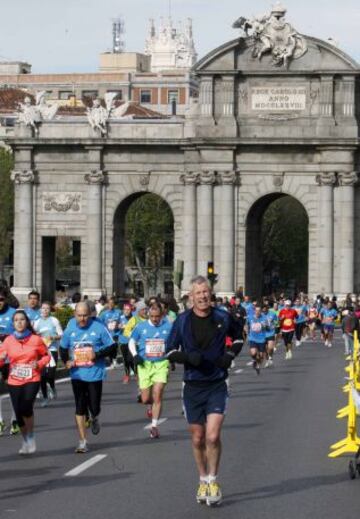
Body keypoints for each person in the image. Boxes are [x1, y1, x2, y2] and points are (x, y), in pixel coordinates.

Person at [166, 276, 244, 506]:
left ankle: (213, 480)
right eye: (197, 293)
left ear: (211, 294)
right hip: (192, 386)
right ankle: (202, 478)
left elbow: (239, 337)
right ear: (191, 297)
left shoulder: (222, 316)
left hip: (217, 383)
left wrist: (230, 355)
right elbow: (169, 351)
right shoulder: (181, 321)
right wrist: (186, 357)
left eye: (205, 292)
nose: (202, 296)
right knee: (198, 438)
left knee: (212, 436)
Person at [60, 301, 116, 453]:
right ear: (75, 315)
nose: (83, 319)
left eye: (85, 315)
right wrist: (66, 362)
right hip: (77, 374)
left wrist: (96, 354)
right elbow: (63, 347)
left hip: (94, 373)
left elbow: (112, 347)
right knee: (79, 405)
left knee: (94, 406)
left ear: (90, 314)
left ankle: (94, 416)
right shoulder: (70, 326)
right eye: (79, 315)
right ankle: (82, 442)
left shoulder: (98, 327)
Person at [0, 310, 50, 454]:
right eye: (16, 320)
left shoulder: (36, 340)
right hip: (14, 380)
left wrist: (39, 364)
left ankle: (31, 435)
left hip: (32, 378)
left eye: (22, 319)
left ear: (27, 322)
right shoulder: (8, 340)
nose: (19, 322)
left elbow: (46, 356)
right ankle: (26, 440)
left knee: (26, 405)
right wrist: (2, 358)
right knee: (18, 411)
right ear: (13, 323)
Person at [128, 303, 172, 438]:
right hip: (144, 364)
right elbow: (131, 341)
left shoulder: (168, 326)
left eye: (157, 316)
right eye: (152, 316)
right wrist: (135, 355)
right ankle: (149, 405)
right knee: (146, 398)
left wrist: (173, 355)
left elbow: (176, 341)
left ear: (162, 315)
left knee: (158, 394)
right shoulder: (141, 327)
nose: (154, 319)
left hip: (161, 363)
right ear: (148, 315)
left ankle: (154, 426)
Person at [33, 302, 63, 406]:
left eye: (47, 309)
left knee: (50, 375)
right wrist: (37, 335)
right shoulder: (37, 322)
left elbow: (61, 335)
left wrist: (53, 338)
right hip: (41, 352)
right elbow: (33, 336)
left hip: (52, 349)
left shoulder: (54, 321)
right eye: (43, 308)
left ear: (50, 310)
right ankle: (45, 398)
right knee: (42, 376)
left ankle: (53, 387)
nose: (45, 310)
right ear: (40, 310)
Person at [0, 289, 19, 435]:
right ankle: (0, 420)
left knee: (13, 389)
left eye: (1, 299)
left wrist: (7, 337)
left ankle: (14, 419)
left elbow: (22, 333)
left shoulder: (13, 313)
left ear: (5, 299)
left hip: (10, 358)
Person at [99, 296, 122, 369]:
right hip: (108, 334)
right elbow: (100, 323)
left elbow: (122, 320)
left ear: (114, 304)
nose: (111, 305)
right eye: (109, 303)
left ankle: (114, 360)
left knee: (114, 347)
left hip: (116, 333)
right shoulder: (104, 313)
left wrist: (119, 325)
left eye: (112, 303)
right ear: (107, 304)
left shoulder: (118, 312)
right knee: (110, 347)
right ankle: (111, 361)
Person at [247, 305, 267, 374]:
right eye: (256, 310)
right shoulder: (250, 317)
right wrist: (247, 333)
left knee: (261, 356)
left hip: (261, 339)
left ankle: (257, 365)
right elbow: (247, 325)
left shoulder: (264, 318)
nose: (257, 312)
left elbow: (266, 327)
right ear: (254, 311)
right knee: (253, 353)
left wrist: (263, 325)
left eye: (259, 311)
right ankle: (254, 360)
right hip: (253, 338)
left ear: (261, 311)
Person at [118, 303, 134, 383]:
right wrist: (118, 326)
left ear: (131, 310)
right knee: (125, 360)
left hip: (132, 342)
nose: (126, 311)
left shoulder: (134, 318)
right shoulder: (120, 317)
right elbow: (115, 328)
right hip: (122, 340)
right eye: (125, 310)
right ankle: (127, 375)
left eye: (128, 310)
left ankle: (136, 372)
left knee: (130, 359)